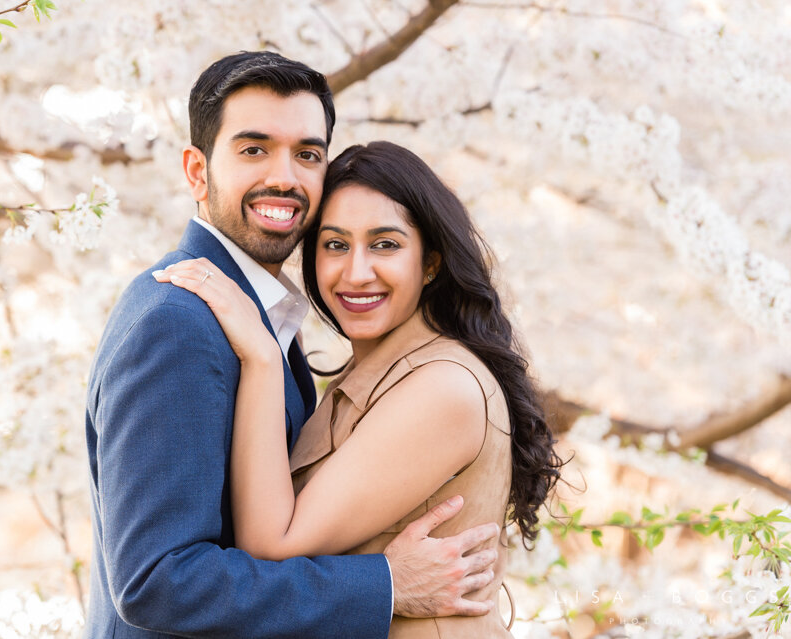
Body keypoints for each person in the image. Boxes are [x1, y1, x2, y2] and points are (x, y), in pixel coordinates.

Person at [85, 52, 503, 639]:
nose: (284, 176)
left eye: (307, 154)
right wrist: (384, 584)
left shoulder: (262, 322)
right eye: (254, 150)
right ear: (198, 172)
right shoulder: (179, 321)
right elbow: (156, 580)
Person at [156, 140, 564, 637]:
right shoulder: (367, 378)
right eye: (335, 245)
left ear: (430, 262)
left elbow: (271, 544)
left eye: (385, 244)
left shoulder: (443, 387)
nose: (356, 272)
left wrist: (261, 356)